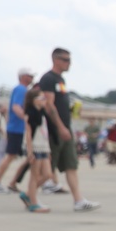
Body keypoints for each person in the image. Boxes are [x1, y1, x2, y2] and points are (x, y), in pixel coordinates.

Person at [39, 48, 100, 211]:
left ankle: (78, 200)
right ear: (56, 60)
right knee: (46, 169)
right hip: (55, 130)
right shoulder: (48, 79)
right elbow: (49, 105)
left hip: (65, 128)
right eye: (66, 60)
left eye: (69, 60)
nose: (69, 63)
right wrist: (60, 127)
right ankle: (30, 196)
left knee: (71, 165)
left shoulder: (60, 80)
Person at [0, 69, 33, 193]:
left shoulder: (21, 90)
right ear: (24, 77)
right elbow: (15, 107)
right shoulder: (21, 89)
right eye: (30, 76)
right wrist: (26, 118)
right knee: (10, 156)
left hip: (16, 128)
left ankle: (11, 182)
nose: (32, 78)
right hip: (16, 128)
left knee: (13, 155)